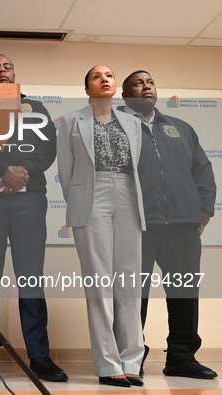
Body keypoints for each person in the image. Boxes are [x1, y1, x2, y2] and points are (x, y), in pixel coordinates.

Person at [119, 70, 217, 380]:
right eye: (137, 83)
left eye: (149, 82)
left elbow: (203, 171)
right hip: (138, 226)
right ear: (125, 95)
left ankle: (182, 358)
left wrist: (203, 211)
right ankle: (130, 359)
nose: (145, 86)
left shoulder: (180, 128)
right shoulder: (116, 129)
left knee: (185, 293)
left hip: (182, 226)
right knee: (135, 296)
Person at [0, 54, 66, 382]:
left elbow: (48, 148)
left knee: (30, 276)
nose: (2, 71)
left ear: (15, 74)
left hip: (29, 198)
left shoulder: (36, 108)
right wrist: (4, 170)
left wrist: (24, 171)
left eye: (7, 67)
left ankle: (39, 356)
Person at [57, 65, 144, 387]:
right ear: (87, 88)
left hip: (128, 196)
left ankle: (132, 360)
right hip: (91, 196)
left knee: (129, 283)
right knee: (99, 283)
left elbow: (138, 168)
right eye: (96, 76)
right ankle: (108, 364)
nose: (104, 79)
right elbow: (66, 172)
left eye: (109, 75)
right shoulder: (70, 121)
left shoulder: (133, 123)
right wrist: (81, 200)